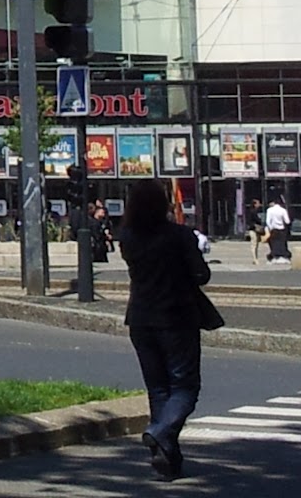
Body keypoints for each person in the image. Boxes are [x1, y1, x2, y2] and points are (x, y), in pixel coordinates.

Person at [120, 180, 216, 481]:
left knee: (158, 389)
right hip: (177, 317)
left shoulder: (128, 237)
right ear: (164, 204)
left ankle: (166, 457)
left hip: (140, 318)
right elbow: (201, 275)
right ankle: (159, 431)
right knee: (186, 387)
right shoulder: (179, 235)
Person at [265, 194, 292, 263]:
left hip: (274, 229)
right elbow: (287, 221)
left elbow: (268, 221)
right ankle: (284, 256)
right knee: (282, 243)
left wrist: (271, 228)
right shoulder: (283, 210)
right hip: (281, 229)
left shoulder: (270, 210)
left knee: (274, 243)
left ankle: (274, 256)